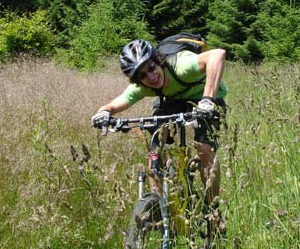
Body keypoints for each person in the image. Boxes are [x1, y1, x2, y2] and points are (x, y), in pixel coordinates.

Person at [91, 38, 228, 221]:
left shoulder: (181, 66)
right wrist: (103, 113)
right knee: (156, 147)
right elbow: (115, 104)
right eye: (142, 75)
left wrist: (208, 99)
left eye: (151, 67)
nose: (151, 76)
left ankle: (213, 208)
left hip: (207, 99)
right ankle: (159, 205)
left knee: (204, 148)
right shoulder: (143, 86)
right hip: (172, 101)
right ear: (137, 80)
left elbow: (218, 54)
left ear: (158, 60)